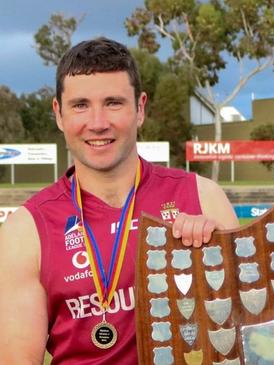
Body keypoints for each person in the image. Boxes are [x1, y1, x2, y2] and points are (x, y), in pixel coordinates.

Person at [0, 37, 239, 364]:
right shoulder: (26, 231)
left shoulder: (202, 197)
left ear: (140, 108)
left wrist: (213, 259)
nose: (97, 123)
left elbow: (253, 334)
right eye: (80, 105)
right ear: (58, 113)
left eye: (113, 103)